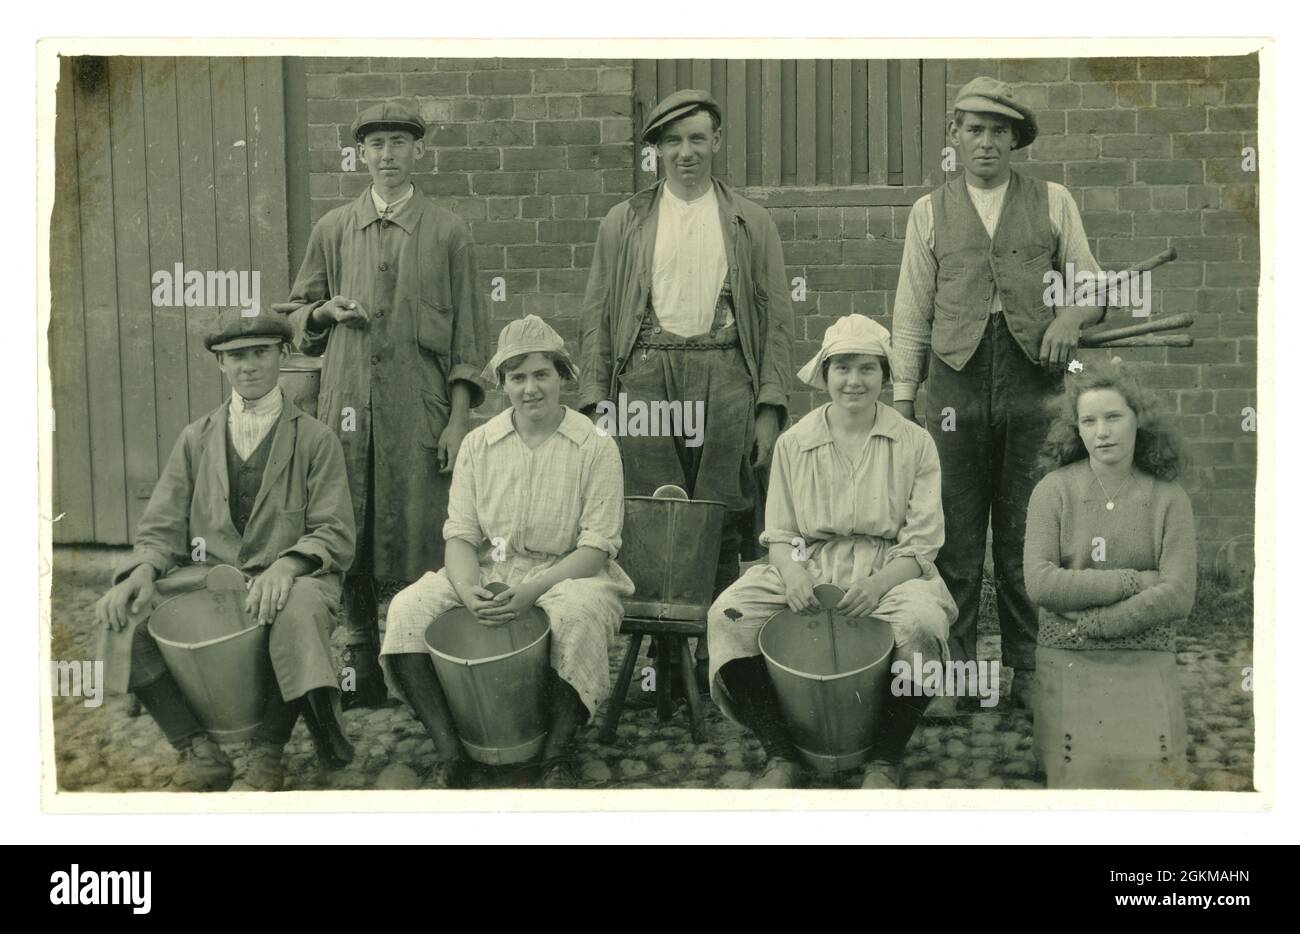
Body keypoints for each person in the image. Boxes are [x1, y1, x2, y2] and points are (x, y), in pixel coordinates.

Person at [890, 77, 1110, 713]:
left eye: (998, 131)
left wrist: (1070, 317)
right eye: (973, 130)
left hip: (1033, 385)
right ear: (954, 137)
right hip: (954, 384)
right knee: (955, 537)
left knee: (1026, 534)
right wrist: (905, 401)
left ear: (1016, 139)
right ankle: (956, 675)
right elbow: (911, 312)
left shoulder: (1053, 202)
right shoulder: (928, 211)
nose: (985, 143)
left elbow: (1092, 284)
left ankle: (1028, 671)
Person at [579, 88, 793, 692]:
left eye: (697, 138)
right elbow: (596, 313)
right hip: (645, 373)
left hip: (726, 374)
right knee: (655, 516)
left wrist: (769, 406)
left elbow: (777, 319)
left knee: (720, 516)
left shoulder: (751, 221)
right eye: (672, 142)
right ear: (655, 153)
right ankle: (665, 668)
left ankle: (714, 659)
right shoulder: (625, 221)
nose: (686, 152)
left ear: (716, 142)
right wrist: (599, 403)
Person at [281, 100, 490, 710]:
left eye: (400, 143)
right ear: (361, 155)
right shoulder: (333, 229)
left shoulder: (449, 231)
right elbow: (295, 312)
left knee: (423, 533)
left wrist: (457, 421)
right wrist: (323, 312)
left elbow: (470, 340)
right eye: (376, 145)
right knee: (348, 532)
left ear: (418, 152)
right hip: (344, 412)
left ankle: (421, 657)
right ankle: (360, 662)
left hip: (419, 417)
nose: (388, 156)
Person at [93, 310, 357, 792]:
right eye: (236, 356)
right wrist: (142, 571)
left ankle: (267, 755)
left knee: (295, 609)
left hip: (295, 577)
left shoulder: (316, 440)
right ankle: (197, 748)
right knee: (129, 611)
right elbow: (161, 527)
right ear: (220, 364)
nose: (249, 366)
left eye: (261, 352)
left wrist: (288, 564)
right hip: (210, 575)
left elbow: (334, 530)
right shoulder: (196, 438)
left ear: (284, 355)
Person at [379, 316, 635, 788]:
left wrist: (533, 590)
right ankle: (451, 752)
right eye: (517, 377)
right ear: (502, 385)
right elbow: (459, 534)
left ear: (563, 376)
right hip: (490, 568)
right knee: (407, 609)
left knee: (578, 616)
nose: (531, 389)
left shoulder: (595, 446)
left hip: (570, 573)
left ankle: (557, 754)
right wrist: (467, 587)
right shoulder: (479, 444)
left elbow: (597, 547)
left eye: (542, 374)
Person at [708, 316, 958, 789]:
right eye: (841, 367)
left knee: (922, 625)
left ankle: (885, 758)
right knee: (728, 616)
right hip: (806, 562)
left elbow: (923, 542)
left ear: (885, 376)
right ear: (823, 375)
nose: (854, 381)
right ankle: (781, 753)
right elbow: (779, 532)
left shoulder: (914, 443)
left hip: (891, 567)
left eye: (868, 368)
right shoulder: (794, 443)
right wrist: (793, 575)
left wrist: (878, 584)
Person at [1024, 358, 1195, 788]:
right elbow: (1041, 582)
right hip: (1070, 651)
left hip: (1142, 650)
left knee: (1152, 777)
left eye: (1114, 417)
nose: (1102, 432)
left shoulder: (1170, 498)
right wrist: (1135, 581)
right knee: (1077, 771)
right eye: (1089, 420)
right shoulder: (1053, 491)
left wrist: (1099, 621)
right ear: (1076, 429)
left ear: (1139, 420)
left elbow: (1178, 593)